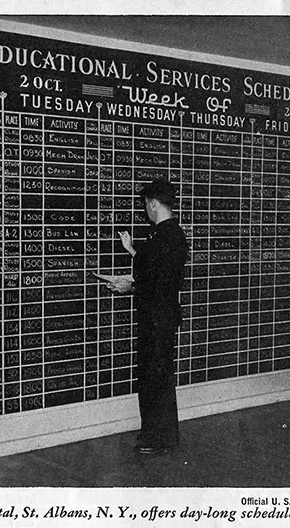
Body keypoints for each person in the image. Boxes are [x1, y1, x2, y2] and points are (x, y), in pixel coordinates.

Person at [108, 181, 189, 455]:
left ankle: (158, 438)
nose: (145, 209)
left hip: (158, 318)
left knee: (156, 378)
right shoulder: (168, 234)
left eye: (146, 204)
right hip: (159, 317)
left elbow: (158, 282)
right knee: (155, 376)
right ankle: (157, 434)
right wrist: (132, 251)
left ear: (154, 203)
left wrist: (128, 286)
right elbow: (153, 267)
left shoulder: (167, 236)